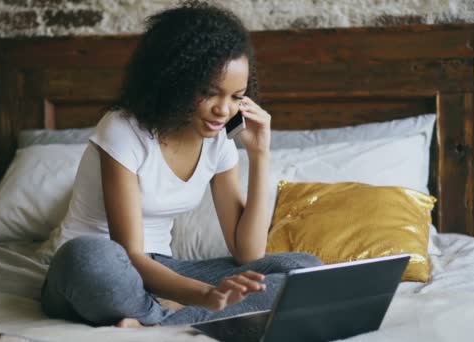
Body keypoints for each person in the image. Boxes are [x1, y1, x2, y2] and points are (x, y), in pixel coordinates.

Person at [39, 0, 322, 328]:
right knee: (87, 258)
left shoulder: (218, 141)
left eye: (236, 96)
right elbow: (130, 254)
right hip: (99, 271)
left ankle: (151, 317)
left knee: (305, 269)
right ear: (175, 79)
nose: (224, 110)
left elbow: (248, 254)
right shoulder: (123, 129)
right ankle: (167, 314)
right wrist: (204, 294)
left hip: (165, 273)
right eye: (210, 93)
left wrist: (259, 155)